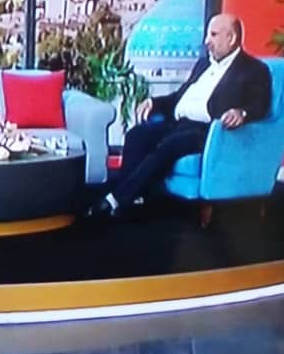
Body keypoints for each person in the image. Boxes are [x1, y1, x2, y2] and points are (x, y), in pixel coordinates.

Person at [88, 13, 272, 218]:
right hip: (177, 122)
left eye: (213, 35)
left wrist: (242, 112)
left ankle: (116, 200)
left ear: (231, 38)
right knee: (136, 135)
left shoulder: (253, 69)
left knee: (169, 145)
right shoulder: (203, 64)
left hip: (206, 131)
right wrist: (154, 102)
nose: (207, 41)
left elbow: (261, 104)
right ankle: (134, 199)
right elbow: (179, 97)